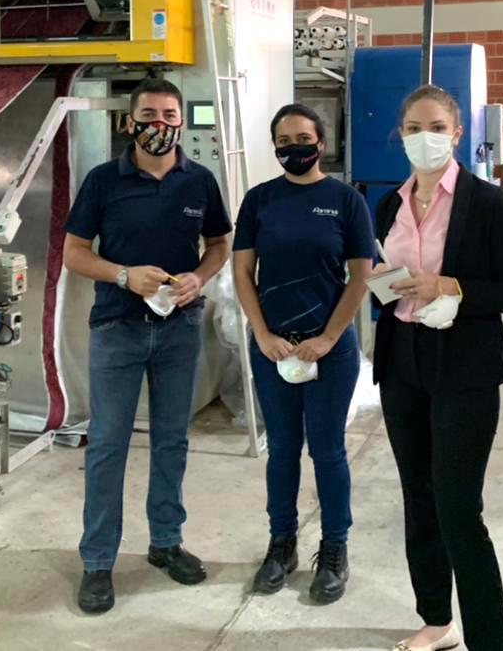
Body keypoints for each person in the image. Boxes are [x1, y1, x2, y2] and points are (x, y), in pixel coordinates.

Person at [63, 77, 232, 615]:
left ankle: (165, 542)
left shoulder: (199, 181)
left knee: (171, 441)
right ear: (129, 121)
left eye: (170, 115)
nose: (160, 124)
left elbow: (220, 243)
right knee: (107, 445)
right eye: (150, 115)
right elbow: (74, 252)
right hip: (118, 328)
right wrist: (123, 275)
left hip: (180, 329)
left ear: (181, 121)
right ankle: (97, 561)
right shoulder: (103, 181)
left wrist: (199, 278)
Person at [373, 85, 503, 651]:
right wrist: (382, 285)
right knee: (418, 497)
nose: (426, 138)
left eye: (437, 128)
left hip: (465, 366)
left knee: (459, 507)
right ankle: (437, 621)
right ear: (400, 134)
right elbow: (385, 276)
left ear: (458, 134)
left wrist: (449, 286)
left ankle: (491, 641)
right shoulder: (388, 205)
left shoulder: (487, 204)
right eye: (414, 128)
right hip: (403, 362)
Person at [233, 104, 374, 603]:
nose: (294, 147)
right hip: (273, 347)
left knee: (328, 450)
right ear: (275, 146)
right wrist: (262, 333)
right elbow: (242, 273)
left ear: (321, 143)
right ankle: (281, 544)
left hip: (329, 348)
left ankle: (334, 549)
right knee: (282, 449)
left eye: (303, 138)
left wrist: (329, 338)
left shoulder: (345, 201)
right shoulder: (259, 201)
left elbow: (360, 277)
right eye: (284, 140)